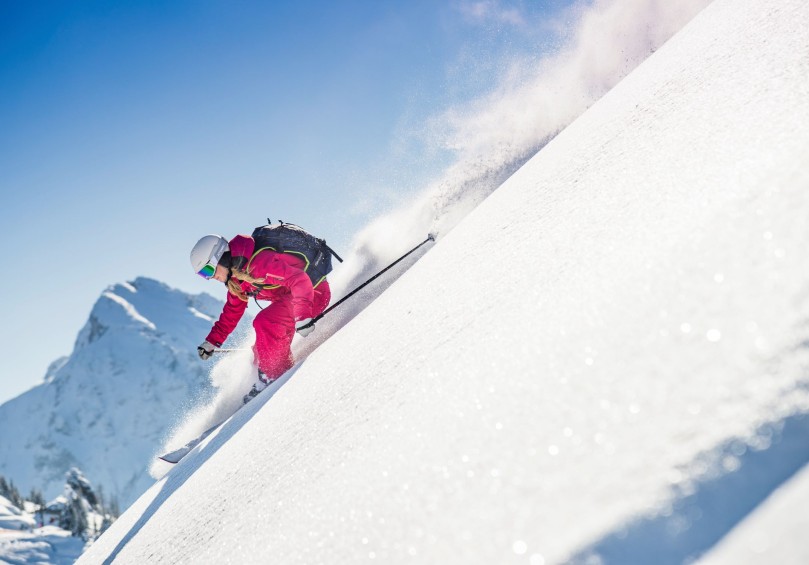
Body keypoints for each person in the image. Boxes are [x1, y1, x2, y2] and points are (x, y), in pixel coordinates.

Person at [190, 233, 331, 403]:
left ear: (220, 256)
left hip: (313, 293)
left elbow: (300, 279)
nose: (210, 277)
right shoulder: (236, 278)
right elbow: (232, 311)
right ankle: (266, 376)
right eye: (204, 275)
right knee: (261, 350)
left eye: (208, 270)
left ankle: (273, 376)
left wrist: (302, 316)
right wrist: (212, 341)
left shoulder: (259, 264)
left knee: (265, 322)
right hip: (293, 298)